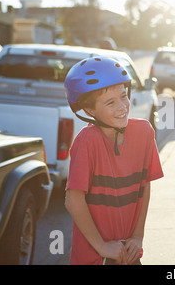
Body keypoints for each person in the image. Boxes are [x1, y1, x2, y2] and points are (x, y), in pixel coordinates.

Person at [64, 57, 163, 265]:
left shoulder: (144, 132)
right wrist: (101, 246)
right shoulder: (87, 141)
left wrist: (138, 236)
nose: (122, 107)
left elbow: (144, 186)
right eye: (110, 102)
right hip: (95, 256)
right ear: (90, 111)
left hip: (128, 252)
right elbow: (73, 200)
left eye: (123, 96)